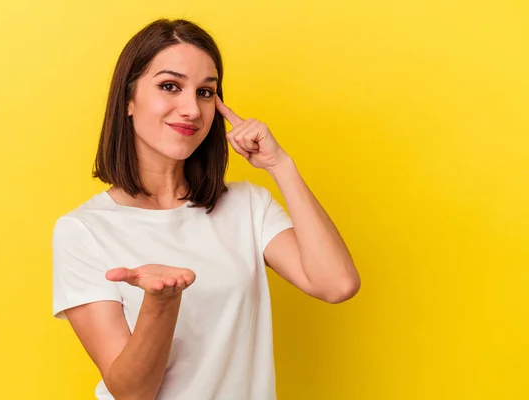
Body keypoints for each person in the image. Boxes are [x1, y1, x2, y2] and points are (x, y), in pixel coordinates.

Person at [52, 18, 360, 400]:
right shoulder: (84, 231)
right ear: (128, 100)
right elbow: (132, 393)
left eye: (205, 92)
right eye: (170, 86)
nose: (192, 109)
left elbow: (337, 284)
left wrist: (280, 165)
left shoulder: (247, 205)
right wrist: (161, 303)